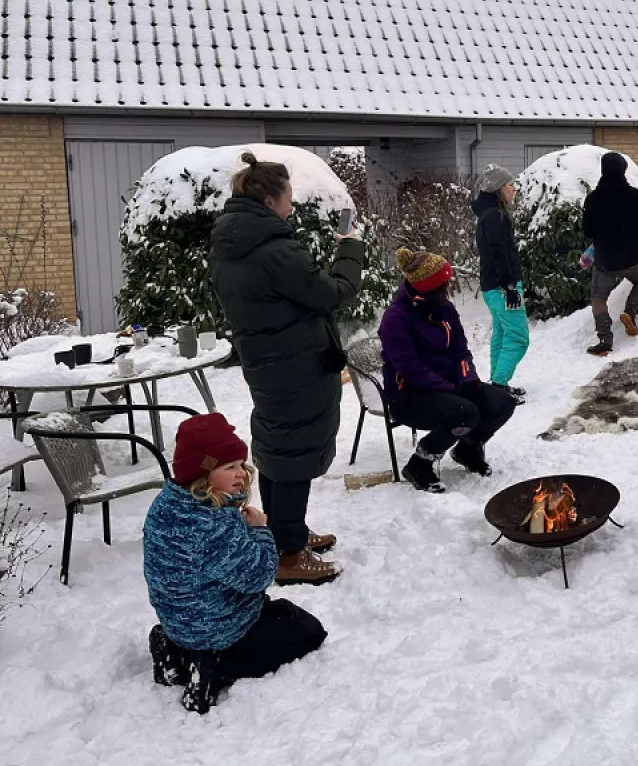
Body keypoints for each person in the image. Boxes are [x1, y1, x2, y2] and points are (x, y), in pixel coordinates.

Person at [209, 151, 365, 586]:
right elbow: (333, 292)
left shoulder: (229, 247)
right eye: (288, 198)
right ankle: (289, 555)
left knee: (278, 446)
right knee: (295, 452)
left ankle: (282, 532)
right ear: (270, 201)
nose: (292, 206)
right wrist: (350, 248)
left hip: (265, 363)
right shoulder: (274, 250)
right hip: (298, 365)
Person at [143, 413, 327, 714]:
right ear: (202, 473)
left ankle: (177, 648)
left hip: (179, 620)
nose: (241, 473)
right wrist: (260, 531)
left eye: (241, 464)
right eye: (229, 467)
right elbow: (259, 577)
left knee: (276, 611)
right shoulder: (212, 524)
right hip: (220, 628)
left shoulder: (169, 503)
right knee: (306, 629)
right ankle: (213, 665)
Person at [379, 248, 517, 493]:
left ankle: (467, 449)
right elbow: (411, 369)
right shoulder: (395, 319)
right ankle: (419, 465)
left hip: (448, 386)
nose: (448, 290)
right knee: (464, 412)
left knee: (502, 403)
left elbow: (460, 351)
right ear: (428, 288)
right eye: (443, 286)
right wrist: (450, 389)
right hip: (409, 396)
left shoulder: (445, 310)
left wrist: (467, 378)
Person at [582, 151, 638, 357]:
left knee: (598, 299)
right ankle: (630, 312)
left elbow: (587, 231)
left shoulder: (593, 198)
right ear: (623, 170)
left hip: (605, 260)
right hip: (632, 258)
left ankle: (605, 340)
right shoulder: (635, 196)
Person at [473, 164, 529, 403]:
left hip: (492, 287)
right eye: (510, 184)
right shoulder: (495, 216)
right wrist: (510, 287)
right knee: (518, 338)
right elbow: (499, 252)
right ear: (498, 188)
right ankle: (498, 384)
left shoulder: (488, 214)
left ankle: (498, 383)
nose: (514, 189)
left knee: (502, 334)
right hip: (502, 288)